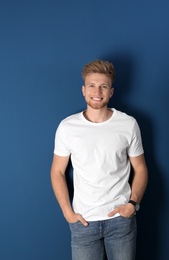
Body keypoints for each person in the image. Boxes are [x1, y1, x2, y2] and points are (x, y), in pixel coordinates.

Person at [50, 60, 148, 260]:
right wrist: (68, 213)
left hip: (121, 220)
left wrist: (132, 204)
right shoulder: (68, 127)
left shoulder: (128, 124)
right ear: (84, 90)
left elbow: (141, 168)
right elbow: (57, 171)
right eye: (92, 86)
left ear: (111, 91)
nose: (97, 91)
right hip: (83, 222)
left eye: (104, 86)